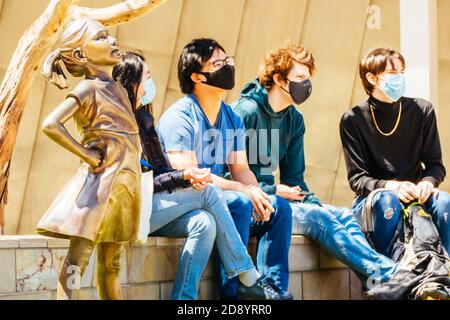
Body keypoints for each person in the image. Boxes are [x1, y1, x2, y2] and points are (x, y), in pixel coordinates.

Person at [112, 51, 288, 300]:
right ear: (131, 82)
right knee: (209, 191)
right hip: (129, 212)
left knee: (203, 222)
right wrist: (183, 176)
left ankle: (184, 300)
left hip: (151, 205)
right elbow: (134, 180)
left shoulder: (144, 118)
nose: (151, 84)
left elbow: (160, 172)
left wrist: (183, 176)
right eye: (147, 77)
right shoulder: (117, 124)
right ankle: (246, 273)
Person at [232, 42, 399, 287]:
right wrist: (273, 191)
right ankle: (389, 274)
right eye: (299, 77)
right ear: (279, 79)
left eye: (308, 78)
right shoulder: (244, 112)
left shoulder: (294, 120)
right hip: (252, 206)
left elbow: (295, 179)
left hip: (277, 202)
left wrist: (313, 201)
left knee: (341, 213)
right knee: (316, 216)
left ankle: (374, 280)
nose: (306, 84)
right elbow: (227, 174)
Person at [157, 38, 293, 300]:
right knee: (238, 202)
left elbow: (240, 168)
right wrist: (243, 191)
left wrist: (257, 192)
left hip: (221, 198)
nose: (227, 67)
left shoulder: (231, 117)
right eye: (217, 64)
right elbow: (191, 179)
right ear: (197, 76)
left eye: (227, 60)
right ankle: (235, 293)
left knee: (278, 207)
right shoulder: (180, 117)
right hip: (185, 203)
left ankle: (271, 289)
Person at [37, 18, 141, 300]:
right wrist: (86, 154)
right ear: (82, 55)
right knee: (77, 261)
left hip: (124, 186)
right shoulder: (88, 89)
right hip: (99, 187)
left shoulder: (118, 87)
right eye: (102, 37)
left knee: (112, 265)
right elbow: (50, 124)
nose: (112, 40)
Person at [340, 47, 449, 257]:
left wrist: (427, 183)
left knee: (444, 201)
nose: (399, 77)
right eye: (392, 73)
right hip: (375, 199)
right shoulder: (352, 119)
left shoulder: (422, 110)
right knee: (387, 201)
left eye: (401, 71)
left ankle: (443, 273)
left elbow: (436, 165)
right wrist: (391, 187)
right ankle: (392, 276)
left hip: (416, 196)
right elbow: (357, 179)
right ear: (372, 78)